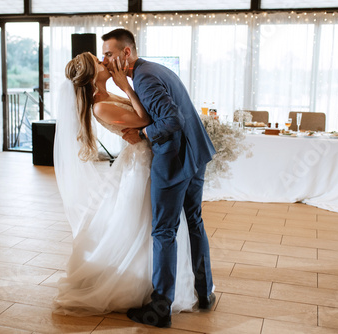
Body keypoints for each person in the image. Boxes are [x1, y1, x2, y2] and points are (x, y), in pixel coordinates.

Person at [53, 52, 197, 316]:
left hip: (147, 158)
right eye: (99, 62)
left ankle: (157, 284)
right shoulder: (99, 105)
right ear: (93, 75)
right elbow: (145, 120)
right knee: (144, 223)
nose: (105, 62)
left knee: (153, 224)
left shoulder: (106, 96)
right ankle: (143, 287)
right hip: (140, 166)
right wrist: (126, 87)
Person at [102, 29, 217, 328]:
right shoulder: (152, 69)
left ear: (126, 53)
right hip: (196, 153)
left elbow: (172, 120)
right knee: (194, 221)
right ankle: (204, 293)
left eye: (110, 54)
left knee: (163, 230)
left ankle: (160, 307)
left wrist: (141, 133)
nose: (106, 60)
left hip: (174, 159)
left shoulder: (145, 78)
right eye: (103, 55)